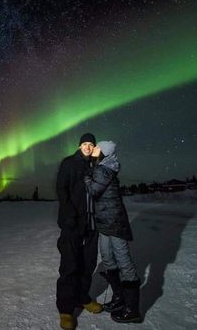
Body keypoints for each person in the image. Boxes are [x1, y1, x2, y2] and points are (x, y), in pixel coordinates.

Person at [84, 141, 142, 323]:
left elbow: (93, 190)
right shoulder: (102, 167)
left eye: (97, 148)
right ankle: (119, 299)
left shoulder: (103, 169)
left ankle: (132, 310)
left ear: (104, 152)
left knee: (124, 263)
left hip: (114, 224)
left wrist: (86, 177)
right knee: (108, 259)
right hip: (105, 224)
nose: (93, 150)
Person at [56, 133, 102, 330]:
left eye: (91, 144)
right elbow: (61, 189)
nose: (88, 147)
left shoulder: (95, 165)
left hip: (92, 223)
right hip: (72, 223)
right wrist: (68, 215)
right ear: (79, 145)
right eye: (85, 144)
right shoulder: (69, 163)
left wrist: (100, 160)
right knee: (70, 265)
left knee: (88, 263)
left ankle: (82, 298)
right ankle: (66, 310)